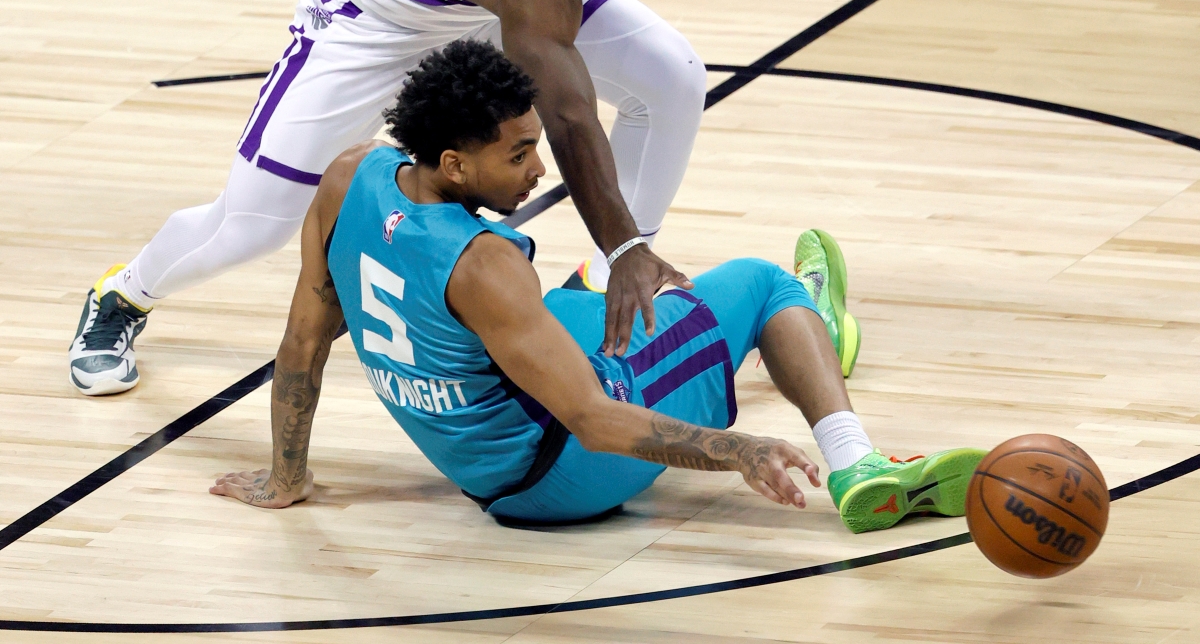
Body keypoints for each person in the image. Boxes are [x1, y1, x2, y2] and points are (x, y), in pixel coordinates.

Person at [69, 0, 842, 397]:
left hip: (473, 6)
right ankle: (124, 294)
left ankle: (605, 282)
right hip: (371, 19)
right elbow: (569, 116)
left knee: (671, 76)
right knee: (253, 225)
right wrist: (631, 240)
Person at [211, 41, 983, 533]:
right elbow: (592, 419)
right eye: (518, 155)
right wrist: (739, 450)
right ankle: (855, 458)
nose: (538, 168)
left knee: (575, 300)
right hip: (565, 473)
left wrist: (287, 477)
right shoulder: (485, 265)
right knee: (758, 284)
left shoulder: (351, 177)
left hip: (487, 472)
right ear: (454, 164)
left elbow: (302, 342)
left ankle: (782, 339)